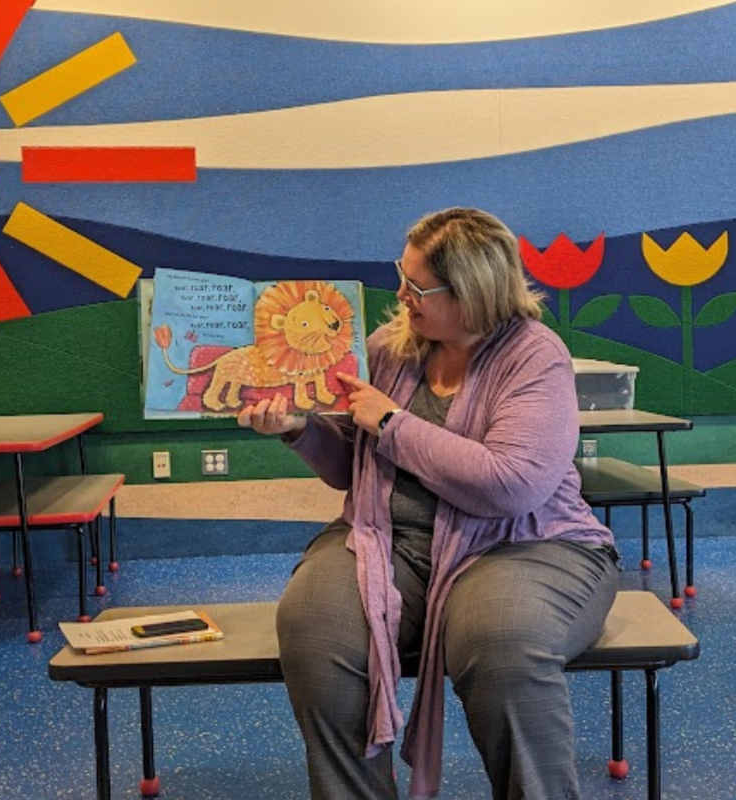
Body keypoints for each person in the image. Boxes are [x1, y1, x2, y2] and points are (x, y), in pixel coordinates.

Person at [238, 208, 619, 800]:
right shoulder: (391, 348)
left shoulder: (535, 356)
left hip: (527, 543)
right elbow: (351, 470)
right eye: (403, 276)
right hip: (388, 537)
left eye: (419, 287)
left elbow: (510, 485)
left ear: (472, 294)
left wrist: (391, 423)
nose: (402, 295)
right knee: (315, 627)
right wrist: (298, 428)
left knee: (501, 644)